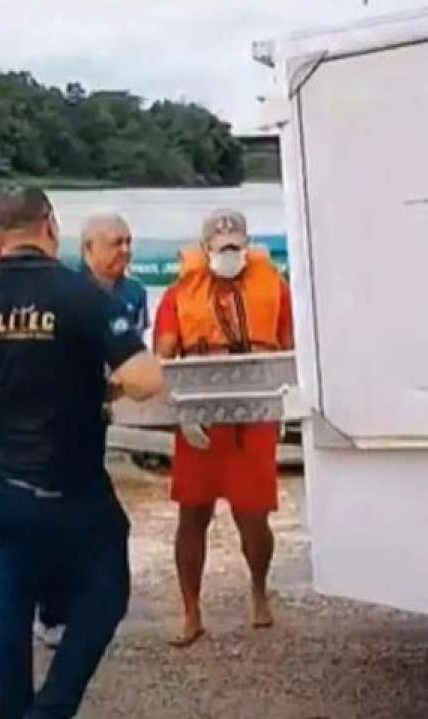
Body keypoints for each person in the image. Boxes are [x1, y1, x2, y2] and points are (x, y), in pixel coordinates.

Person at [0, 186, 166, 719]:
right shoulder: (80, 295)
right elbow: (144, 379)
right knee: (106, 591)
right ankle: (53, 707)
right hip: (71, 487)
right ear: (51, 225)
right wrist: (105, 380)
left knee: (8, 604)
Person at [152, 209, 293, 648]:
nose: (229, 251)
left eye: (236, 244)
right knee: (192, 514)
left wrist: (285, 404)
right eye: (221, 244)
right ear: (205, 247)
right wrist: (181, 411)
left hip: (254, 415)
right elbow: (163, 358)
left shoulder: (276, 288)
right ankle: (191, 609)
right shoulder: (179, 295)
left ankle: (258, 586)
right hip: (199, 418)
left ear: (248, 246)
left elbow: (288, 349)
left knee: (254, 516)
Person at [32, 211, 151, 649]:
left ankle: (86, 603)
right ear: (87, 250)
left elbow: (137, 351)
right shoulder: (67, 291)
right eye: (114, 243)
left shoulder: (135, 293)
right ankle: (51, 611)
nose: (124, 250)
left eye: (128, 241)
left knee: (94, 517)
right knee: (56, 516)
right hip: (63, 416)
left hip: (104, 410)